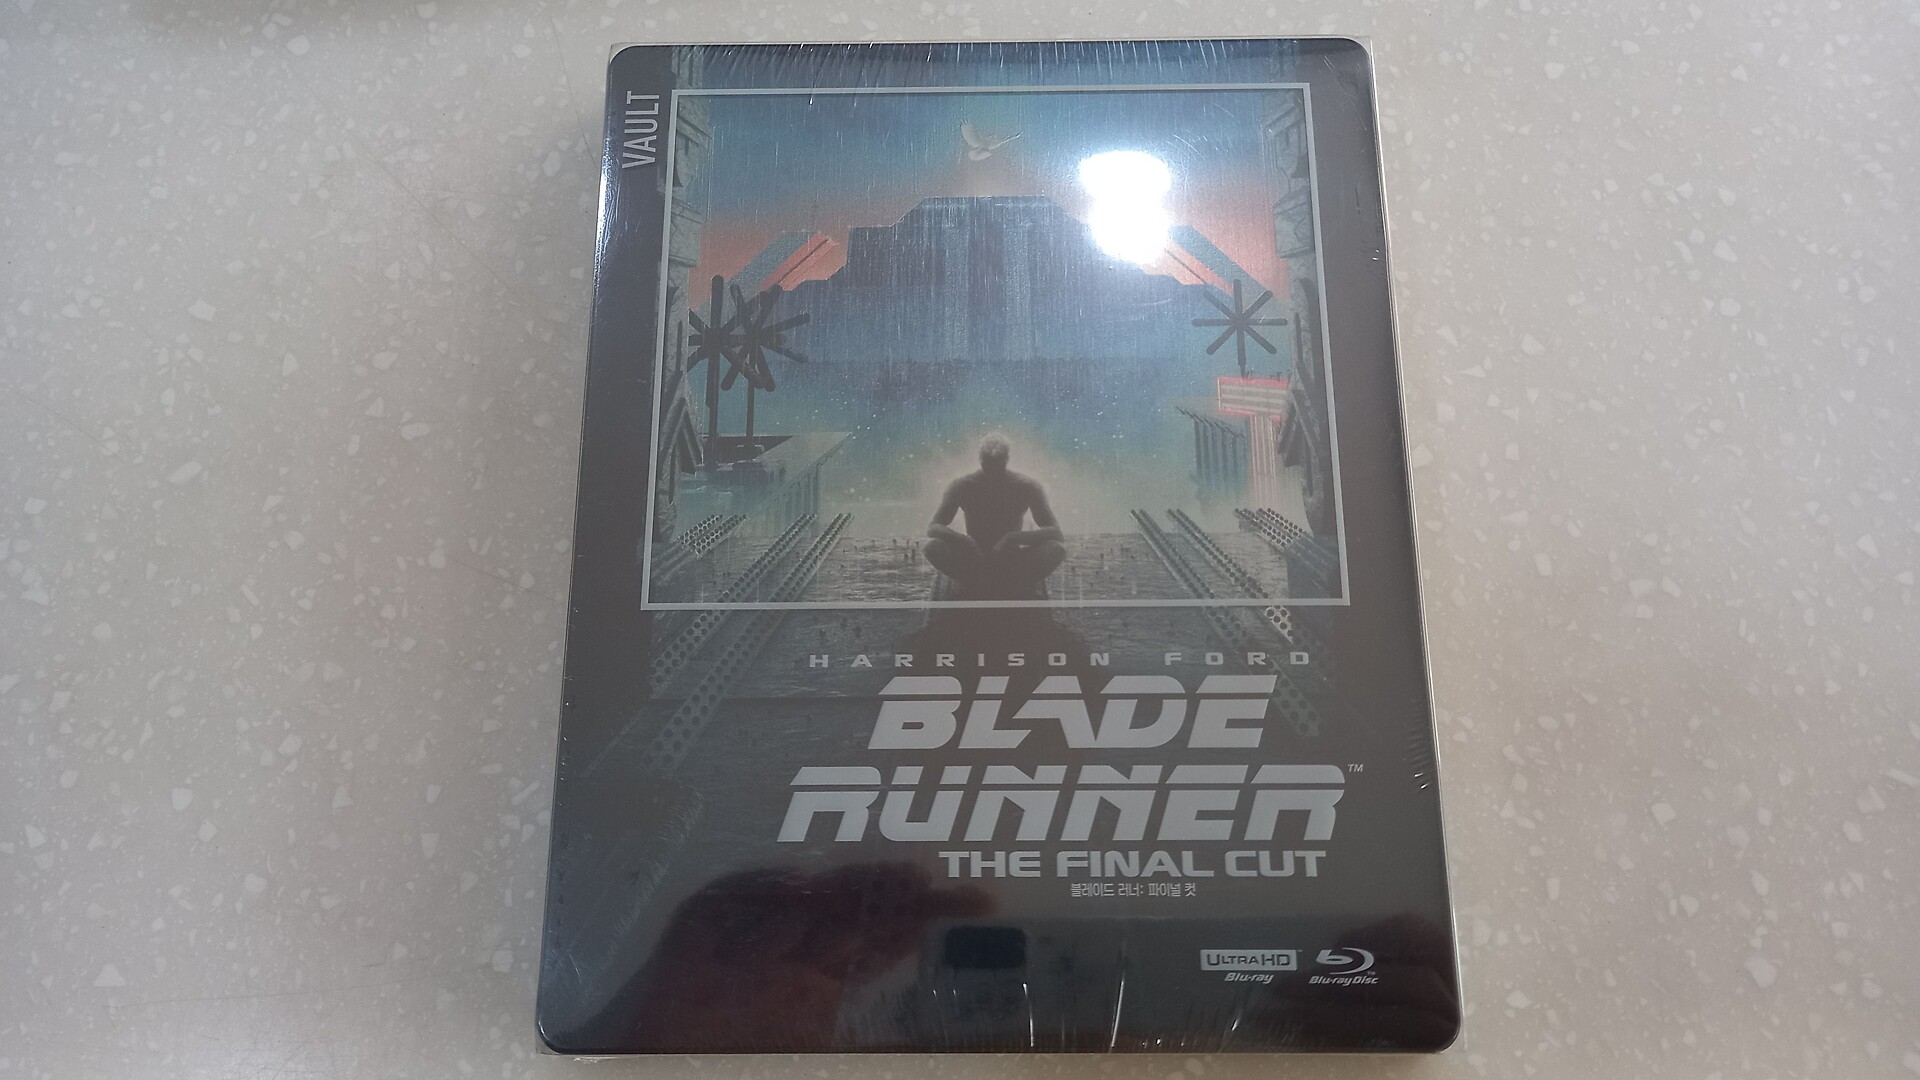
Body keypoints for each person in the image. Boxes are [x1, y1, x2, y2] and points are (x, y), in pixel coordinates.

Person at [924, 434, 1066, 598]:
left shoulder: (1027, 486)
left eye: (997, 463)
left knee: (1056, 550)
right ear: (980, 459)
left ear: (1007, 459)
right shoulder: (962, 486)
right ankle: (977, 579)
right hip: (974, 558)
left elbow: (1056, 532)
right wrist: (965, 541)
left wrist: (1011, 538)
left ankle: (1011, 581)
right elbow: (933, 527)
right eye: (987, 463)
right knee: (932, 547)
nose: (992, 470)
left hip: (1011, 559)